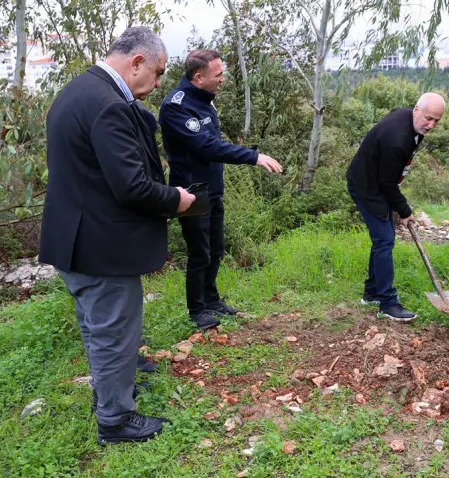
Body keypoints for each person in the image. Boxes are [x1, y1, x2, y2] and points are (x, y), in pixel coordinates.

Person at [39, 27, 195, 445]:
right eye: (158, 72)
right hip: (101, 245)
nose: (159, 83)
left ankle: (109, 393)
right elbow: (131, 187)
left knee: (96, 327)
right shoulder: (108, 104)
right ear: (136, 62)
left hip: (73, 237)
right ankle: (116, 421)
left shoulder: (77, 91)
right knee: (112, 331)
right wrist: (175, 200)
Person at [159, 49, 282, 331]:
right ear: (199, 77)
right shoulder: (176, 107)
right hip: (192, 191)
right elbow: (206, 146)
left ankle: (212, 300)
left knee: (216, 248)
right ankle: (197, 309)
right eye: (218, 74)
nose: (223, 79)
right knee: (199, 252)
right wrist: (253, 156)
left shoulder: (206, 102)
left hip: (213, 188)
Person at [346, 93, 446, 322]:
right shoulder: (397, 139)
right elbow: (387, 184)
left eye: (436, 121)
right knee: (385, 240)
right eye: (428, 118)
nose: (431, 125)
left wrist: (399, 207)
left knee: (384, 238)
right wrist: (405, 210)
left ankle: (371, 294)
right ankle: (388, 303)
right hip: (367, 187)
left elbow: (390, 179)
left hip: (378, 183)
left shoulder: (411, 124)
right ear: (416, 110)